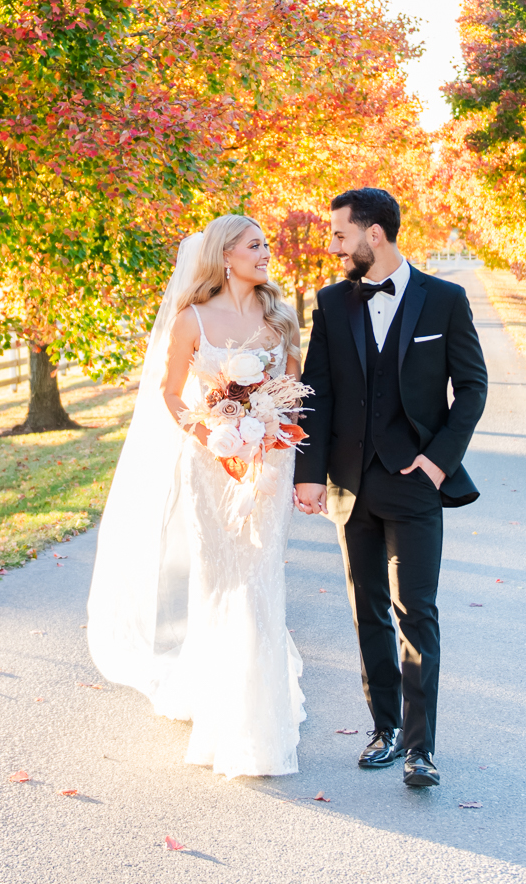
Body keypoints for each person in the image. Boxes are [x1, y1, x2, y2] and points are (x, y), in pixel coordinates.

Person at [85, 214, 307, 777]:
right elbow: (169, 393)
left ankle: (260, 721)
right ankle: (218, 701)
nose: (266, 254)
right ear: (225, 253)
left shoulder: (279, 317)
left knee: (260, 576)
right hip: (211, 463)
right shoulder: (191, 319)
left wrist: (270, 425)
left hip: (271, 462)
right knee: (220, 577)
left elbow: (296, 390)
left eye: (264, 245)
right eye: (255, 245)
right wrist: (211, 431)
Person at [292, 187, 486, 789]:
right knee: (367, 611)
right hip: (351, 486)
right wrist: (308, 474)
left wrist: (436, 462)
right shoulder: (330, 303)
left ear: (373, 235)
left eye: (340, 235)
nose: (333, 247)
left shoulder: (445, 300)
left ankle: (421, 749)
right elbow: (315, 395)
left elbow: (472, 389)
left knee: (417, 612)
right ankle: (386, 728)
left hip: (416, 485)